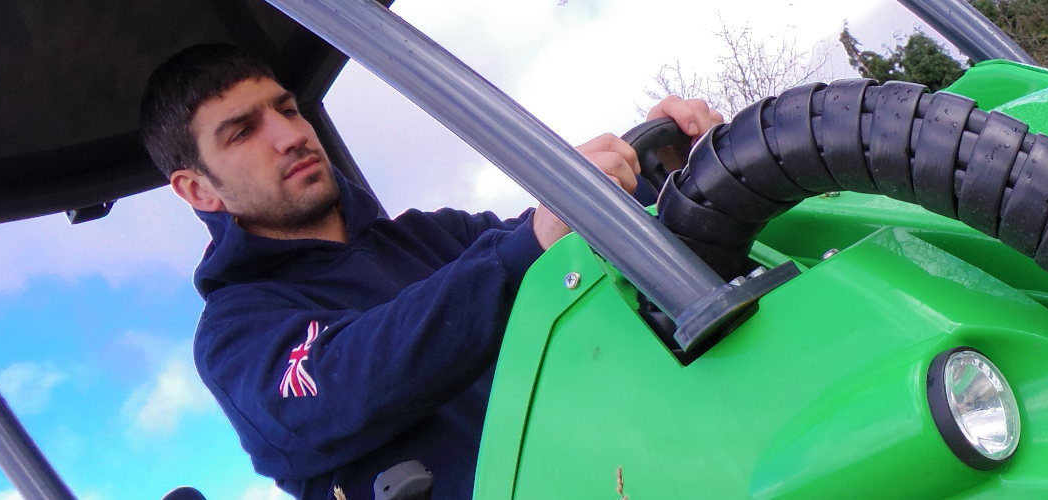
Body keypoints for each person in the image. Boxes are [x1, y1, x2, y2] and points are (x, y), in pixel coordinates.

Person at [139, 43, 723, 499]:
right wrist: (530, 246)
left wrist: (663, 176)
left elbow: (559, 250)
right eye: (244, 131)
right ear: (197, 189)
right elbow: (350, 375)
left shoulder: (434, 235)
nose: (290, 135)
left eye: (287, 109)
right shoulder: (237, 332)